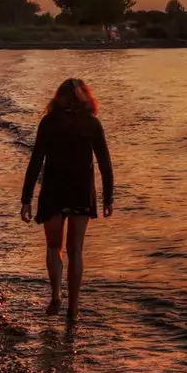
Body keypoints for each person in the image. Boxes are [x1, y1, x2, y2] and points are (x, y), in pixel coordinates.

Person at [20, 78, 114, 320]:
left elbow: (36, 161)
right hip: (81, 190)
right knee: (76, 249)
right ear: (87, 99)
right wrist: (108, 197)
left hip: (53, 188)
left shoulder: (49, 122)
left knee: (54, 246)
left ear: (58, 97)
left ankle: (56, 295)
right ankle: (73, 308)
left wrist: (26, 198)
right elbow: (105, 163)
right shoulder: (91, 123)